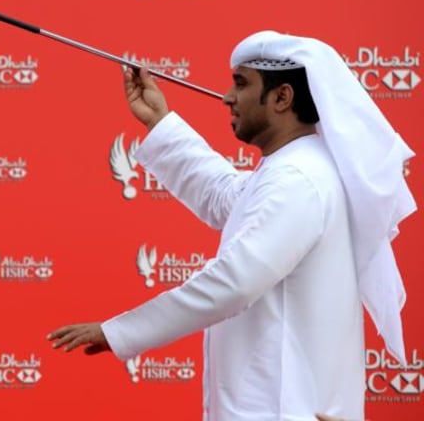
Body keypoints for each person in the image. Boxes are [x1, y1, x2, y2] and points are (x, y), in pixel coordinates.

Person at [48, 31, 416, 420]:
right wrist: (159, 121)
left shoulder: (299, 180)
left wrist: (120, 332)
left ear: (282, 97)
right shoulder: (292, 170)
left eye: (240, 84)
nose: (226, 97)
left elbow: (234, 282)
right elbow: (226, 195)